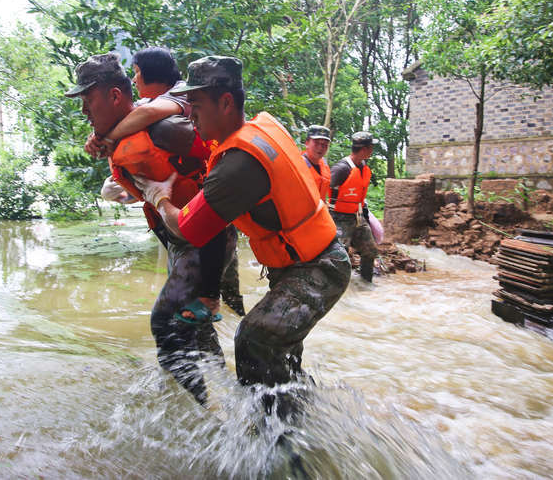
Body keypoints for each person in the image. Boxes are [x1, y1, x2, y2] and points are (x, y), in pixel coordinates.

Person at [135, 56, 351, 419]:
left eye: (197, 107)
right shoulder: (258, 130)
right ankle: (302, 428)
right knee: (281, 365)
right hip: (305, 264)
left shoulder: (238, 164)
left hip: (317, 269)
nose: (190, 117)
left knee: (253, 340)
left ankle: (272, 444)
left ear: (225, 103)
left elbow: (187, 227)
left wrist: (158, 196)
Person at [64, 52, 236, 406]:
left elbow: (217, 156)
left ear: (114, 96)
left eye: (88, 100)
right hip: (178, 237)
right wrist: (101, 137)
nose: (83, 110)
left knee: (166, 322)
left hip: (203, 237)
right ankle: (227, 398)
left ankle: (195, 415)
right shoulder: (128, 129)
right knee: (196, 328)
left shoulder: (166, 127)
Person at [85, 47, 245, 317]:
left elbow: (147, 115)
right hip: (187, 217)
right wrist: (99, 138)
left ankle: (215, 309)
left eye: (136, 74)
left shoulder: (180, 97)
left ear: (152, 75)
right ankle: (224, 315)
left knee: (179, 317)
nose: (134, 81)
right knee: (223, 302)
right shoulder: (156, 106)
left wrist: (107, 137)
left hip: (203, 217)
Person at [329, 131, 379, 282]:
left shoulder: (363, 167)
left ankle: (365, 283)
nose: (372, 151)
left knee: (370, 250)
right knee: (339, 256)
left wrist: (366, 215)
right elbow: (323, 188)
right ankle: (337, 287)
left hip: (357, 217)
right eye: (371, 148)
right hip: (338, 217)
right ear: (364, 149)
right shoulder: (341, 168)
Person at [302, 125, 331, 203]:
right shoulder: (297, 164)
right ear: (307, 143)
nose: (321, 147)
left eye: (325, 145)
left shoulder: (325, 166)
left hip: (319, 211)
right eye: (316, 143)